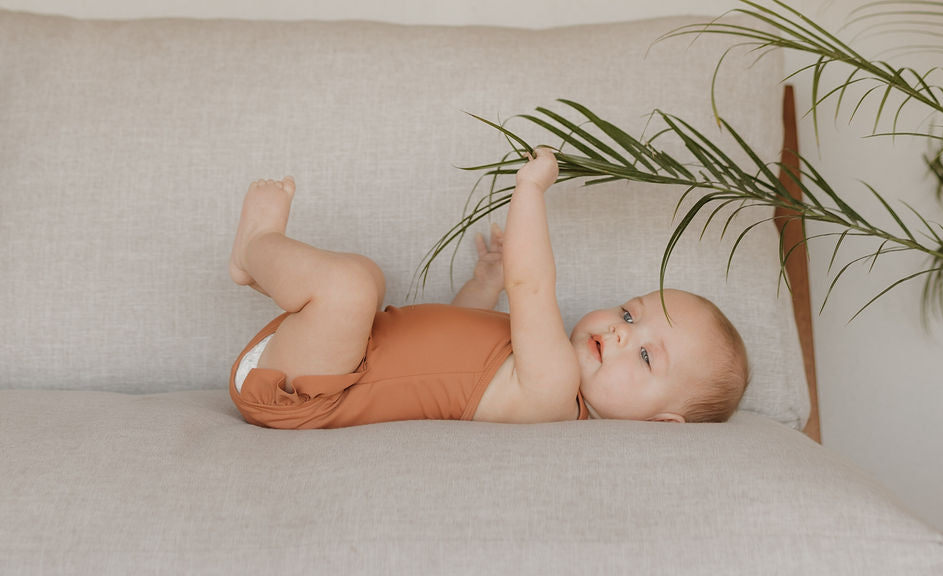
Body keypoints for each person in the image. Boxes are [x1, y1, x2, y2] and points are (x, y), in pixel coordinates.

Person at [228, 150, 748, 430]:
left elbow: (534, 285)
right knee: (365, 280)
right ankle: (264, 260)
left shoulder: (553, 393)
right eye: (630, 317)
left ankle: (256, 248)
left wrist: (530, 190)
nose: (616, 334)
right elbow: (448, 348)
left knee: (353, 286)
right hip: (333, 357)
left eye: (645, 356)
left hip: (314, 394)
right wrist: (483, 286)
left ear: (661, 424)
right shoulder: (536, 364)